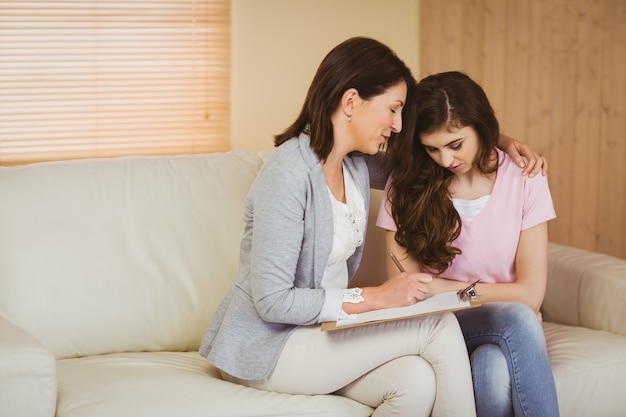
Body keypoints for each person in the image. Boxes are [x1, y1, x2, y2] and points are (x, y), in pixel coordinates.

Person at [199, 37, 545, 417]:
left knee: (415, 381)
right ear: (350, 102)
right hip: (270, 346)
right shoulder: (288, 175)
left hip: (323, 332)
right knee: (437, 327)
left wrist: (497, 138)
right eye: (394, 110)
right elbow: (272, 301)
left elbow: (433, 154)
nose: (399, 126)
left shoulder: (355, 165)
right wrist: (375, 297)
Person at [377, 70, 560, 417]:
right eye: (432, 148)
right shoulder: (406, 185)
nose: (445, 160)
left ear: (480, 126)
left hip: (501, 320)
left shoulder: (525, 177)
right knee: (519, 320)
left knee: (490, 371)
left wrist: (446, 287)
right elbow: (407, 292)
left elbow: (531, 294)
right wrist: (455, 294)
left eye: (455, 144)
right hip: (439, 323)